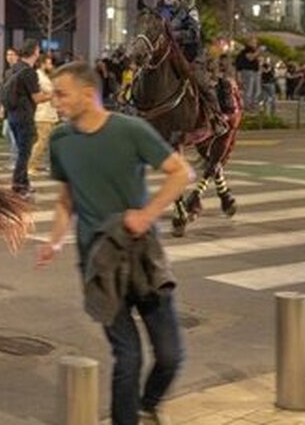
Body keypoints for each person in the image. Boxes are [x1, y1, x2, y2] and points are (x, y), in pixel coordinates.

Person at [37, 61, 191, 425]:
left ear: (88, 94)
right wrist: (54, 241)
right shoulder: (61, 141)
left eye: (62, 95)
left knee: (170, 355)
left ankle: (147, 405)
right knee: (128, 356)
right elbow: (66, 199)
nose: (55, 102)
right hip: (98, 261)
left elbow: (181, 172)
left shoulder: (130, 130)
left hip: (142, 255)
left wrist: (147, 214)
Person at [154, 0, 227, 134]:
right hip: (167, 55)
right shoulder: (158, 11)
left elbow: (194, 34)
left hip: (190, 55)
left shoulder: (190, 10)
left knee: (201, 82)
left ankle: (217, 117)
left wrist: (172, 35)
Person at [3, 40, 49, 197]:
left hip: (12, 116)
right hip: (25, 116)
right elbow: (37, 97)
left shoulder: (11, 70)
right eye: (38, 50)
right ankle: (18, 184)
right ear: (35, 52)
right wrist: (53, 95)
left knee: (22, 150)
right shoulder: (29, 72)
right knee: (24, 153)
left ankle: (24, 182)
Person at [28, 54, 59, 176]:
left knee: (49, 142)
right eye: (49, 63)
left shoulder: (47, 76)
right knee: (41, 142)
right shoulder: (38, 76)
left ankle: (44, 164)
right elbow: (46, 92)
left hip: (51, 113)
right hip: (42, 114)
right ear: (42, 64)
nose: (51, 66)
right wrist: (52, 94)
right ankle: (31, 166)